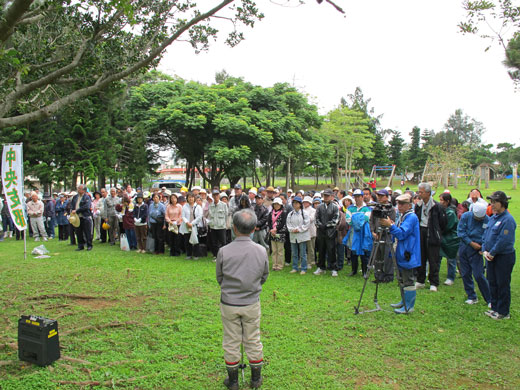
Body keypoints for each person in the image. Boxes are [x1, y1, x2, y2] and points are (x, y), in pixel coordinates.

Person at [216, 209, 269, 390]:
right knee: (253, 339)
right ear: (254, 228)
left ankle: (233, 382)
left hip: (229, 303)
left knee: (231, 340)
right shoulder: (262, 251)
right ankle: (255, 379)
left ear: (234, 228)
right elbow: (264, 276)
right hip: (251, 302)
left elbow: (220, 278)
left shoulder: (223, 251)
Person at [380, 193, 421, 314]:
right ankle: (404, 301)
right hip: (401, 251)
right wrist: (392, 224)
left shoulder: (411, 217)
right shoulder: (402, 216)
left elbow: (402, 233)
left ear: (409, 204)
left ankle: (409, 306)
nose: (400, 206)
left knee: (408, 279)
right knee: (402, 278)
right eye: (398, 203)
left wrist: (390, 226)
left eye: (402, 204)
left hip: (408, 252)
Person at [482, 191, 516, 320]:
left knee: (502, 283)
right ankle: (494, 308)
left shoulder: (508, 220)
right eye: (491, 202)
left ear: (502, 203)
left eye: (495, 202)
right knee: (492, 282)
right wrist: (485, 249)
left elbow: (504, 240)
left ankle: (503, 311)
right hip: (490, 256)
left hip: (503, 257)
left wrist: (492, 252)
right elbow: (485, 235)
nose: (492, 205)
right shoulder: (493, 218)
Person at [457, 202, 491, 305]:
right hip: (465, 247)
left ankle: (489, 299)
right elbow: (460, 232)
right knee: (465, 273)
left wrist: (482, 247)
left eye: (480, 219)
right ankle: (471, 296)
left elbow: (488, 236)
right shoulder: (466, 216)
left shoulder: (487, 220)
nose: (478, 220)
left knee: (478, 274)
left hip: (477, 250)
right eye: (477, 218)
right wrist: (471, 243)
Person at [414, 183, 446, 292]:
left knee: (433, 259)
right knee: (421, 257)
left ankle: (433, 282)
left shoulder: (437, 206)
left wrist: (437, 232)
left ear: (428, 193)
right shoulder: (418, 205)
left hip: (432, 232)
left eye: (421, 192)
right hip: (421, 230)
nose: (419, 194)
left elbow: (443, 223)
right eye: (419, 192)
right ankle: (420, 280)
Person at [370, 189, 396, 283]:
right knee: (377, 257)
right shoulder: (376, 208)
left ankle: (388, 276)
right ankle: (378, 275)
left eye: (382, 196)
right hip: (377, 235)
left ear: (386, 196)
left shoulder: (391, 209)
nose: (380, 198)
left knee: (387, 256)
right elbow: (371, 220)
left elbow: (392, 222)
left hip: (387, 235)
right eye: (378, 196)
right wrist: (373, 231)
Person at [345, 189, 372, 277]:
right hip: (353, 231)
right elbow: (348, 219)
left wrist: (355, 218)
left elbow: (366, 218)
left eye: (358, 196)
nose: (357, 198)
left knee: (364, 252)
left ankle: (364, 271)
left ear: (362, 196)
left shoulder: (367, 208)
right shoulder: (350, 208)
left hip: (363, 232)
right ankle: (354, 270)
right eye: (355, 197)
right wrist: (359, 218)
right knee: (353, 251)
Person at [314, 189, 340, 276]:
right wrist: (320, 225)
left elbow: (336, 219)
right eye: (325, 195)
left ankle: (333, 268)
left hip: (331, 232)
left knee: (331, 250)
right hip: (321, 232)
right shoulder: (319, 207)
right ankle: (321, 267)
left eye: (328, 196)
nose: (326, 197)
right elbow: (316, 218)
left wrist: (327, 225)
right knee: (321, 250)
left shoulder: (335, 207)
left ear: (332, 196)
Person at [439, 192, 460, 286]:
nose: (440, 202)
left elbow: (448, 227)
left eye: (442, 200)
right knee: (437, 257)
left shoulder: (450, 213)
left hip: (451, 239)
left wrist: (438, 230)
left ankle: (451, 277)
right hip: (442, 238)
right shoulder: (442, 210)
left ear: (447, 201)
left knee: (451, 259)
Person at [286, 196, 311, 274]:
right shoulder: (290, 214)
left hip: (302, 235)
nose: (295, 204)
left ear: (300, 204)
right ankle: (295, 267)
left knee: (303, 253)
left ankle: (303, 268)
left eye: (297, 203)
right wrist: (292, 229)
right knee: (294, 253)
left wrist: (299, 229)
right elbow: (288, 224)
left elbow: (306, 224)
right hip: (293, 235)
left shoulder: (304, 213)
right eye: (294, 203)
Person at [180, 192, 203, 259]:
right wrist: (187, 222)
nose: (191, 199)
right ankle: (189, 254)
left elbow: (199, 216)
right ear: (187, 198)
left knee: (195, 240)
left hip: (194, 225)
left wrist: (192, 223)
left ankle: (196, 255)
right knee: (187, 240)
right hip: (186, 225)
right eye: (189, 197)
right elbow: (183, 216)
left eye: (192, 197)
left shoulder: (198, 207)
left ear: (194, 198)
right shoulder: (184, 206)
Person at [71, 184, 93, 251]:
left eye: (79, 189)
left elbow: (86, 206)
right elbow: (72, 205)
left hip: (85, 216)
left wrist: (77, 210)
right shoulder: (75, 197)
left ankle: (89, 245)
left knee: (87, 232)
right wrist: (72, 211)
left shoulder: (87, 197)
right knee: (78, 232)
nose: (78, 190)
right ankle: (80, 245)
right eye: (78, 188)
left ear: (83, 190)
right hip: (77, 217)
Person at [208, 190, 229, 260]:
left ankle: (224, 256)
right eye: (214, 195)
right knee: (214, 243)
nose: (216, 196)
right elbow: (209, 216)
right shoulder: (210, 205)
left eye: (217, 195)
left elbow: (226, 215)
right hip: (213, 226)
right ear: (213, 196)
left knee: (223, 242)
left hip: (221, 226)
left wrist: (224, 224)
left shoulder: (224, 205)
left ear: (219, 196)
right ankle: (216, 256)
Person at [267, 198, 287, 271]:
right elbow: (269, 222)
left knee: (280, 250)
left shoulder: (283, 213)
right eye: (275, 204)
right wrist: (271, 229)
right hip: (272, 233)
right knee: (274, 250)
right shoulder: (271, 213)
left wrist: (276, 229)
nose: (276, 205)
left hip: (280, 233)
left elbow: (283, 223)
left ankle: (280, 265)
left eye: (277, 204)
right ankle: (274, 265)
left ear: (281, 205)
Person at [303, 196, 317, 269]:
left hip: (311, 232)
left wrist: (303, 219)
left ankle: (310, 261)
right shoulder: (302, 210)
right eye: (304, 202)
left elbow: (311, 219)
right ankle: (304, 262)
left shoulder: (313, 210)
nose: (305, 203)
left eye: (306, 202)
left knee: (311, 248)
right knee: (304, 248)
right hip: (303, 232)